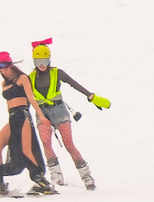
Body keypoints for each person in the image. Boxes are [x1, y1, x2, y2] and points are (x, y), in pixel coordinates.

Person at [28, 39, 110, 190]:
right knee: (45, 142)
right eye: (38, 61)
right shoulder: (30, 77)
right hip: (42, 112)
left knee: (68, 143)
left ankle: (86, 175)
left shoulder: (57, 73)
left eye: (44, 60)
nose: (42, 64)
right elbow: (27, 96)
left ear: (49, 59)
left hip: (59, 110)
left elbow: (74, 83)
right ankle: (56, 175)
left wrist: (90, 96)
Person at [0, 54, 56, 196]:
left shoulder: (22, 78)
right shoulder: (4, 84)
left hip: (23, 115)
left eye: (6, 68)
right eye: (0, 69)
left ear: (11, 65)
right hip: (12, 117)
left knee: (27, 149)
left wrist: (41, 116)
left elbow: (31, 99)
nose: (4, 71)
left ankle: (41, 181)